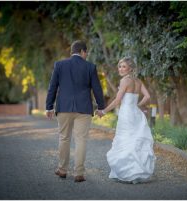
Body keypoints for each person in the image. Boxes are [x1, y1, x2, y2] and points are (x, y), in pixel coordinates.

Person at [46, 40, 105, 182]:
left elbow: (52, 87)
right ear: (83, 51)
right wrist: (101, 107)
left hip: (64, 108)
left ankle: (62, 170)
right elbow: (97, 88)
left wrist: (49, 107)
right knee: (81, 140)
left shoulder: (59, 65)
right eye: (86, 53)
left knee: (64, 138)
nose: (87, 55)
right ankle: (79, 173)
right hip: (83, 108)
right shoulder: (90, 67)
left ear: (72, 51)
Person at [96, 57, 156, 184]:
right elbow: (148, 96)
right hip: (136, 114)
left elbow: (117, 101)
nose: (121, 69)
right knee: (133, 141)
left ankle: (127, 173)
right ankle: (135, 172)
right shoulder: (138, 81)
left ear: (130, 68)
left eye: (124, 66)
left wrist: (103, 111)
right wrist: (138, 105)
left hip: (127, 114)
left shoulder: (125, 81)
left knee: (126, 140)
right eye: (120, 66)